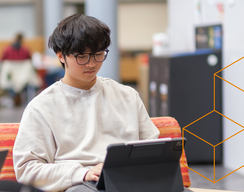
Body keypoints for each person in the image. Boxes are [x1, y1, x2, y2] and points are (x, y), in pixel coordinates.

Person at [12, 14, 160, 192]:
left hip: (130, 180)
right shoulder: (41, 107)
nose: (91, 63)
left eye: (98, 54)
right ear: (61, 56)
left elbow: (153, 148)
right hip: (80, 184)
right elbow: (27, 170)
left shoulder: (127, 95)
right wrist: (81, 173)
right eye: (82, 56)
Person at [0, 33, 41, 106]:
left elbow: (1, 62)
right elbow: (31, 63)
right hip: (24, 78)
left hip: (10, 78)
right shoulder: (26, 50)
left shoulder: (7, 50)